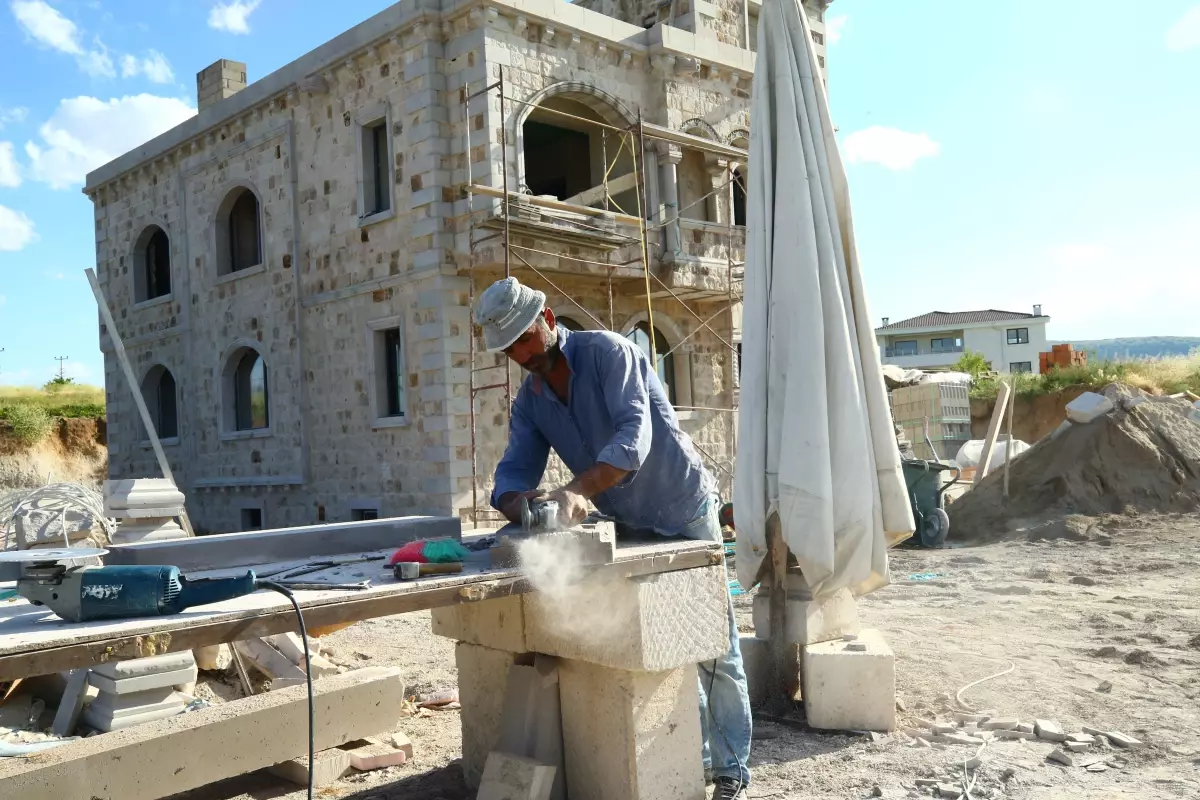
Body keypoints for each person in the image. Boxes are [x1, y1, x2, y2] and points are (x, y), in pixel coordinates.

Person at [476, 276, 753, 799]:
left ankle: (731, 769)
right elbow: (513, 470)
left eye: (526, 339)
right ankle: (685, 762)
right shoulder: (531, 402)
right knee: (663, 641)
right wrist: (519, 504)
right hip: (630, 522)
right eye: (510, 348)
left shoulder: (610, 353)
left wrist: (578, 491)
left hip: (684, 507)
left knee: (714, 645)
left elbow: (634, 440)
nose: (522, 354)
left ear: (550, 321)